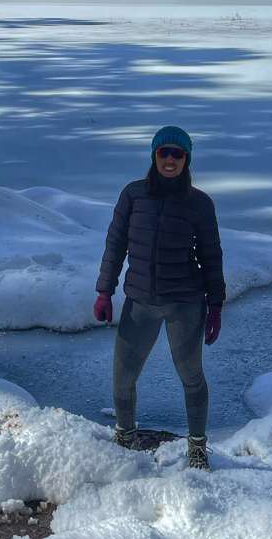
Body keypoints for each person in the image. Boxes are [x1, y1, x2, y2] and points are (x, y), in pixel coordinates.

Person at [93, 126, 224, 471]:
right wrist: (104, 291)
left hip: (185, 304)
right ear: (154, 155)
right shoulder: (133, 195)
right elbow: (115, 245)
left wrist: (215, 305)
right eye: (164, 152)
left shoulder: (199, 204)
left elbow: (211, 256)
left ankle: (197, 447)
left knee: (191, 376)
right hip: (140, 302)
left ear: (186, 159)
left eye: (177, 154)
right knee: (123, 378)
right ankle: (125, 437)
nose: (170, 160)